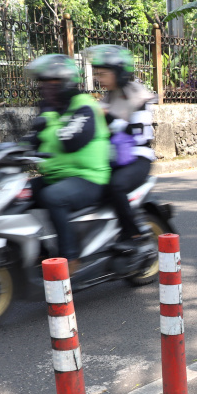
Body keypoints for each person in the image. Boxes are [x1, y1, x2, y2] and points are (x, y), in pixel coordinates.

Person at [23, 54, 111, 275]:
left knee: (53, 197)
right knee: (17, 193)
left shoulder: (84, 106)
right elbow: (31, 140)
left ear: (66, 82)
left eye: (52, 82)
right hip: (58, 176)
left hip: (89, 177)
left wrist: (48, 126)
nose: (46, 88)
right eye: (43, 82)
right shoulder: (50, 109)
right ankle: (39, 254)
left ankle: (70, 257)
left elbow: (70, 140)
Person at [87, 44, 157, 254]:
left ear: (118, 72)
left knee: (116, 186)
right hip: (113, 158)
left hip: (138, 158)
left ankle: (133, 234)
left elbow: (138, 133)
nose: (98, 78)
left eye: (103, 74)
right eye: (97, 73)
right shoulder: (109, 97)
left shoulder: (138, 95)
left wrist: (108, 117)